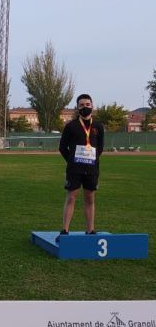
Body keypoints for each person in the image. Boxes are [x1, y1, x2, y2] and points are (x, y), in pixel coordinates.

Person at [57, 93, 104, 241]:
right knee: (71, 197)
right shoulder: (71, 126)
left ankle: (90, 230)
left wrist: (92, 159)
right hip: (74, 169)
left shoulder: (98, 126)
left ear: (92, 106)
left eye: (87, 105)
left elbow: (100, 148)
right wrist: (71, 160)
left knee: (90, 198)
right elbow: (62, 148)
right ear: (77, 108)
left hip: (91, 169)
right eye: (82, 105)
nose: (85, 107)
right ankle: (65, 230)